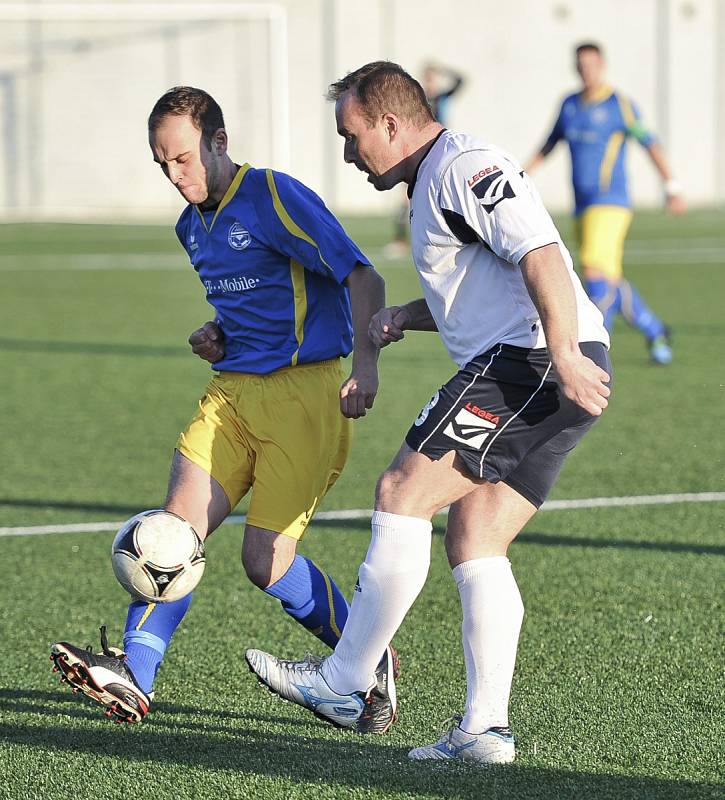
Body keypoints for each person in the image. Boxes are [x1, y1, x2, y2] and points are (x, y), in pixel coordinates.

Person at [245, 61, 611, 764]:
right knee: (474, 536)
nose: (349, 154)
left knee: (400, 492)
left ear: (389, 122)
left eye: (352, 136)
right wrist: (404, 317)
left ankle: (344, 679)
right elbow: (484, 282)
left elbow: (537, 250)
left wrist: (561, 353)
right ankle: (483, 730)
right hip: (541, 360)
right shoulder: (428, 186)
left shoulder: (462, 163)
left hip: (530, 363)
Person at [50, 86, 387, 725]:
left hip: (305, 395)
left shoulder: (273, 196)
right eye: (163, 166)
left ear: (218, 142)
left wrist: (365, 366)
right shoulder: (191, 226)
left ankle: (367, 661)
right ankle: (134, 674)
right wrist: (218, 333)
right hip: (231, 395)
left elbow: (362, 277)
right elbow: (255, 302)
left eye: (183, 159)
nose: (176, 177)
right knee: (173, 531)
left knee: (264, 565)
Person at [525, 42, 686, 365]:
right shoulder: (569, 105)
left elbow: (649, 142)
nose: (586, 70)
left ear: (603, 65)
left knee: (594, 271)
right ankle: (655, 331)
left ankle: (594, 349)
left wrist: (671, 184)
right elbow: (549, 143)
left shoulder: (619, 104)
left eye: (591, 64)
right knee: (607, 277)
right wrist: (521, 174)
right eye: (581, 65)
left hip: (612, 202)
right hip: (582, 206)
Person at [384, 62, 465, 258]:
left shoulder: (442, 98)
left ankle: (453, 237)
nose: (430, 81)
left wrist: (444, 69)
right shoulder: (419, 101)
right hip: (419, 154)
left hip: (442, 152)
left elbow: (461, 81)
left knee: (446, 194)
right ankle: (400, 240)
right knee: (407, 198)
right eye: (427, 77)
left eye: (432, 77)